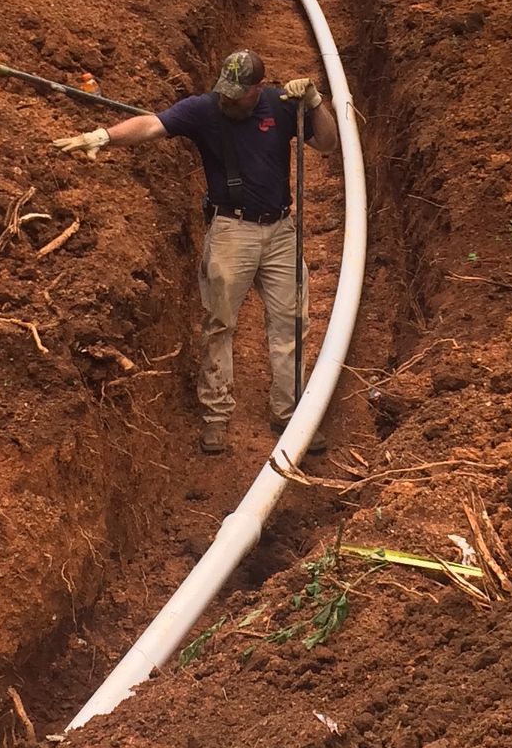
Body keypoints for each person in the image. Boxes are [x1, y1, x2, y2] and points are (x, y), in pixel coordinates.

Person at [55, 47, 338, 455]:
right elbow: (152, 126)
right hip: (230, 229)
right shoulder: (205, 109)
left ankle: (290, 412)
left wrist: (314, 104)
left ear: (259, 88)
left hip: (280, 232)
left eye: (239, 93)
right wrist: (104, 137)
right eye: (225, 91)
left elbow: (327, 144)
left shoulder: (281, 104)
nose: (229, 99)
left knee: (291, 324)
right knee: (219, 323)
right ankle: (216, 416)